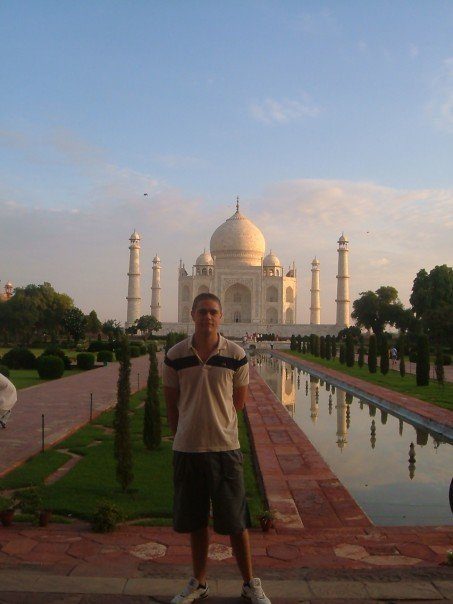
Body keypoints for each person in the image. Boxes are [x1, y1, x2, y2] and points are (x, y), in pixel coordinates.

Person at [163, 293, 271, 604]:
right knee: (196, 521)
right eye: (202, 312)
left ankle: (250, 583)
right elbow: (171, 405)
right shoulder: (174, 356)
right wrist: (183, 434)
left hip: (225, 449)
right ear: (192, 314)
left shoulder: (237, 355)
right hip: (188, 449)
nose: (207, 317)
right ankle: (199, 582)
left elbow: (238, 403)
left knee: (236, 521)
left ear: (221, 316)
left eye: (213, 312)